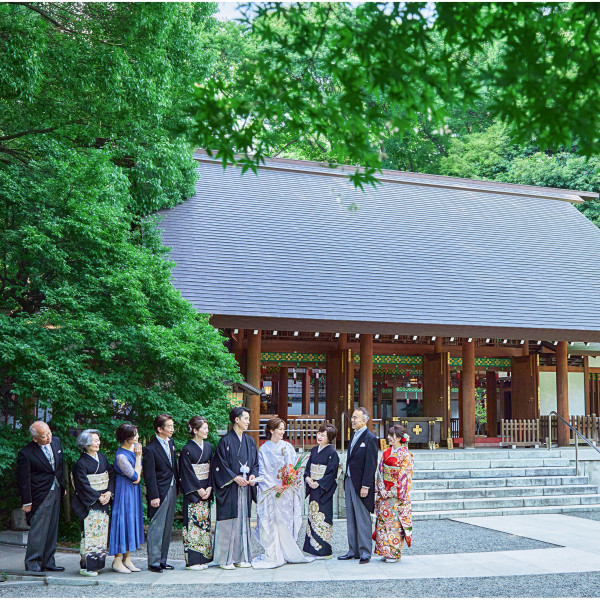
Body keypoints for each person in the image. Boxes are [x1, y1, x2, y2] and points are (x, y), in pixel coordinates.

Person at [252, 417, 313, 569]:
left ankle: (286, 552)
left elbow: (294, 468)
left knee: (285, 521)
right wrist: (273, 485)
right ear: (271, 430)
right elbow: (262, 471)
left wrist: (288, 481)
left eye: (283, 429)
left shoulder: (287, 447)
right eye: (279, 429)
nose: (282, 432)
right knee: (271, 523)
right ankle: (273, 553)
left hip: (286, 492)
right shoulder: (264, 449)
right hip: (271, 491)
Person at [211, 406, 258, 570]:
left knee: (243, 522)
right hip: (231, 487)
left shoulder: (250, 442)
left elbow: (255, 464)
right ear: (236, 420)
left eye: (248, 418)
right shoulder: (225, 441)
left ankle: (240, 557)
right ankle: (225, 559)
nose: (248, 421)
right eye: (245, 418)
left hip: (244, 487)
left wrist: (252, 475)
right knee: (228, 522)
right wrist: (234, 477)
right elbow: (219, 465)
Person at [17, 421, 66, 572]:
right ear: (35, 439)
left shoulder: (56, 442)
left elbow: (60, 466)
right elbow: (23, 479)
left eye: (49, 433)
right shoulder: (26, 453)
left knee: (52, 527)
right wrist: (27, 502)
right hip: (40, 493)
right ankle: (32, 563)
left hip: (56, 489)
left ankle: (48, 562)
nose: (49, 437)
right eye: (44, 436)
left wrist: (62, 486)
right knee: (39, 529)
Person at [71, 429, 115, 577]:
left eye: (98, 440)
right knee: (89, 534)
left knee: (101, 534)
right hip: (90, 502)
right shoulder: (81, 463)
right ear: (86, 444)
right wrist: (98, 496)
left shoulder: (102, 457)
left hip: (103, 500)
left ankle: (98, 565)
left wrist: (109, 492)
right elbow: (82, 485)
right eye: (95, 440)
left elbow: (111, 474)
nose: (98, 443)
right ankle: (86, 566)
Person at [338, 406, 379, 564]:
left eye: (356, 418)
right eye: (353, 417)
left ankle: (365, 552)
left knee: (362, 518)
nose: (352, 420)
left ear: (365, 420)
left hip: (362, 483)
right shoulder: (354, 436)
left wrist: (366, 486)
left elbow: (371, 465)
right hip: (349, 480)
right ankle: (352, 550)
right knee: (351, 517)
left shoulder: (370, 438)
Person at [143, 414, 179, 573]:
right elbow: (149, 475)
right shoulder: (150, 449)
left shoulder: (171, 443)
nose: (172, 429)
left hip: (172, 487)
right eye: (169, 426)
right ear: (160, 429)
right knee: (157, 527)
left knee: (167, 527)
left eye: (172, 426)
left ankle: (163, 560)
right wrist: (153, 496)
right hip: (159, 490)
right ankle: (154, 562)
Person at [374, 424, 414, 563]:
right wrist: (381, 489)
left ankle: (394, 553)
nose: (389, 438)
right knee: (383, 523)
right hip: (384, 493)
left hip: (396, 497)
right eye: (389, 435)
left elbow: (405, 476)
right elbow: (380, 472)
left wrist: (392, 492)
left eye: (392, 436)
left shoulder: (406, 455)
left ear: (399, 438)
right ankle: (385, 550)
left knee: (394, 525)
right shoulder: (386, 452)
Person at [108, 422, 144, 574]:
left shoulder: (130, 451)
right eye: (135, 435)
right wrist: (138, 457)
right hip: (124, 491)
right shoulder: (121, 456)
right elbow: (135, 477)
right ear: (127, 439)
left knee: (131, 521)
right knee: (123, 522)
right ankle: (117, 559)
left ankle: (127, 558)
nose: (137, 437)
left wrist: (137, 458)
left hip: (132, 491)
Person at [179, 416, 213, 570]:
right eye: (204, 428)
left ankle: (203, 559)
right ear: (195, 430)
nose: (207, 431)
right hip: (194, 492)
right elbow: (186, 472)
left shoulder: (209, 447)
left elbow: (212, 469)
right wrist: (198, 489)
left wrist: (210, 487)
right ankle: (192, 561)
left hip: (206, 489)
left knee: (204, 525)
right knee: (193, 525)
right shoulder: (187, 449)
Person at [303, 423, 339, 559]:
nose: (319, 436)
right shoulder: (314, 449)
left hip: (323, 490)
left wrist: (319, 483)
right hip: (313, 488)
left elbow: (332, 473)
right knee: (312, 517)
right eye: (319, 433)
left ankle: (325, 551)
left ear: (329, 438)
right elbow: (308, 468)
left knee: (323, 517)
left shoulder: (332, 453)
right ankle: (313, 549)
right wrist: (307, 479)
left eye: (323, 435)